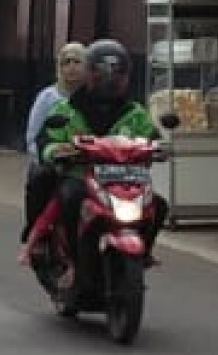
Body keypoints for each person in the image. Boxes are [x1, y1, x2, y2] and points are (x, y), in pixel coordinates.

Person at [34, 38, 169, 277]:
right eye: (101, 74)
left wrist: (159, 148)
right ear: (90, 75)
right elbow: (46, 138)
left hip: (125, 180)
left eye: (116, 75)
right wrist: (56, 150)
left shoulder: (135, 113)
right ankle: (72, 262)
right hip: (81, 178)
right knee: (70, 197)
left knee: (159, 205)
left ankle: (143, 252)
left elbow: (152, 137)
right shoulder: (67, 109)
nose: (109, 80)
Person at [19, 42, 87, 249]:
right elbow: (32, 137)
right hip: (52, 160)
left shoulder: (93, 97)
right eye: (66, 62)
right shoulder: (48, 97)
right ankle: (36, 233)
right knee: (40, 177)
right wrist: (51, 154)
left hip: (86, 162)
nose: (72, 67)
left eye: (77, 62)